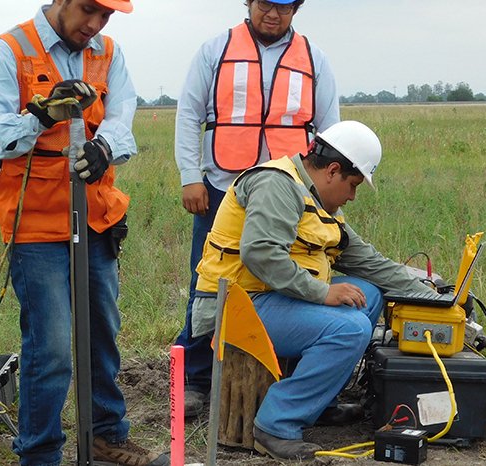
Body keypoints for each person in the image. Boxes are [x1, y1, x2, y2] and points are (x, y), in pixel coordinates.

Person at [0, 1, 161, 465]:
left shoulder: (107, 52)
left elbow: (121, 117)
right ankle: (40, 452)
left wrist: (104, 148)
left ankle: (105, 434)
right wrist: (39, 118)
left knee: (102, 331)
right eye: (89, 11)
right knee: (50, 346)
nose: (94, 26)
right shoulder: (10, 50)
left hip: (94, 216)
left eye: (106, 17)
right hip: (35, 223)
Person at [189, 121, 436, 460]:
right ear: (333, 170)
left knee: (370, 292)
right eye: (353, 185)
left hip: (268, 299)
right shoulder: (276, 184)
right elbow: (260, 253)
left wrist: (435, 296)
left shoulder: (316, 199)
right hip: (236, 306)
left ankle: (319, 400)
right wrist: (323, 294)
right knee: (351, 329)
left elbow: (370, 263)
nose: (352, 196)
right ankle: (276, 423)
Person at [173, 0, 341, 418]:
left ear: (297, 9)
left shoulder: (314, 59)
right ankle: (195, 378)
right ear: (248, 3)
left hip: (290, 197)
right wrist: (189, 176)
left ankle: (287, 373)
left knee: (291, 280)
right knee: (209, 284)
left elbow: (330, 131)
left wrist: (326, 200)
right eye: (266, 4)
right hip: (220, 188)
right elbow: (188, 113)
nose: (274, 14)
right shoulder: (215, 50)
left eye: (285, 7)